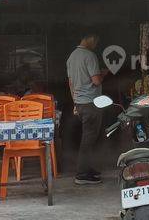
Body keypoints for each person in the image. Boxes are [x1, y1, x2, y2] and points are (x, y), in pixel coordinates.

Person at [66, 33, 107, 185]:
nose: (96, 45)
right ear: (90, 39)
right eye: (96, 41)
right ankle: (82, 174)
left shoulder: (72, 57)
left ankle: (87, 169)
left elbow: (71, 83)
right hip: (91, 103)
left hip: (80, 103)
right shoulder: (89, 56)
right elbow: (96, 81)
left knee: (87, 138)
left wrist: (75, 103)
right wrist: (103, 73)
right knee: (88, 139)